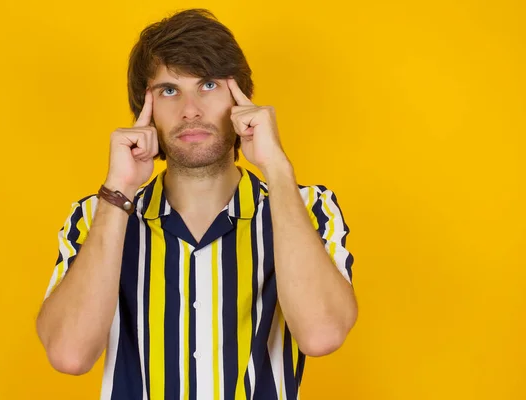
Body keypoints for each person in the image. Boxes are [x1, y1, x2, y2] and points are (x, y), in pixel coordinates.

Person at [36, 8, 357, 400]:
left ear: (241, 99)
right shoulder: (98, 214)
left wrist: (276, 167)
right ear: (145, 110)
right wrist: (118, 190)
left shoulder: (307, 206)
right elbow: (69, 354)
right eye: (168, 90)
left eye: (207, 85)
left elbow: (321, 334)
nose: (190, 110)